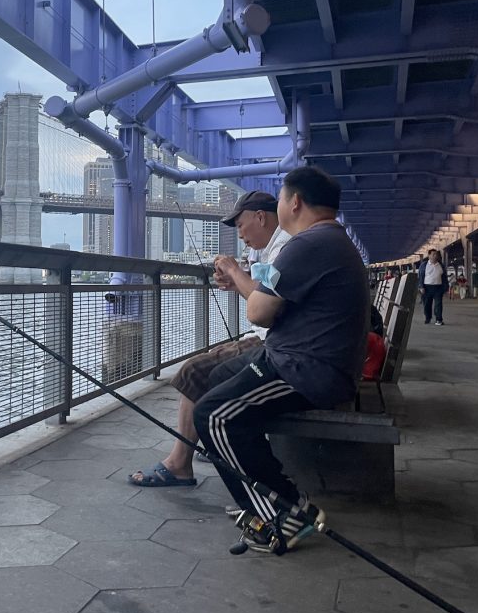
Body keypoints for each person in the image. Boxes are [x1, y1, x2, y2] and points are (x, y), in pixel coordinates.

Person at [192, 166, 369, 554]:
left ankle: (286, 511)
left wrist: (236, 273)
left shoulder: (308, 244)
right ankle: (261, 499)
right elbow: (269, 301)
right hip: (308, 361)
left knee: (214, 415)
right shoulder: (328, 241)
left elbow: (258, 312)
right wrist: (245, 282)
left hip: (306, 370)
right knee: (219, 377)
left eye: (282, 197)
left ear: (295, 202)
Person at [128, 191, 290, 487]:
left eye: (240, 225)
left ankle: (180, 464)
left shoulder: (284, 247)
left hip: (275, 344)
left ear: (260, 217)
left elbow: (264, 310)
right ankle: (208, 442)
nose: (239, 234)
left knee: (194, 370)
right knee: (211, 367)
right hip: (278, 341)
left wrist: (233, 270)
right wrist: (237, 282)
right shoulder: (277, 247)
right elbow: (266, 295)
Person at [418, 249, 446, 325]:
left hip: (438, 288)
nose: (435, 256)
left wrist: (445, 287)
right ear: (429, 255)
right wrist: (421, 287)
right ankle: (428, 317)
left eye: (436, 254)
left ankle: (439, 319)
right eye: (433, 254)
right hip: (427, 288)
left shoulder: (441, 265)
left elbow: (444, 277)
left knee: (438, 304)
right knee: (427, 304)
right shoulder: (424, 265)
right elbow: (420, 276)